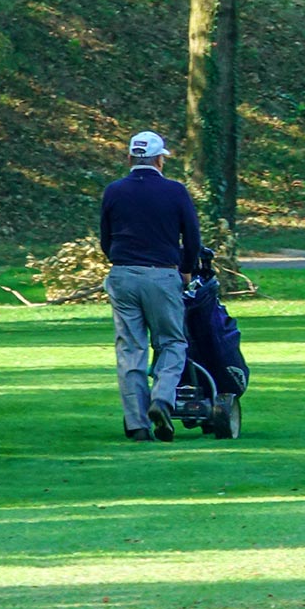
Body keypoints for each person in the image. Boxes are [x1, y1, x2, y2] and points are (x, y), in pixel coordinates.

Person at [99, 130, 204, 442]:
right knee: (172, 342)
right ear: (160, 160)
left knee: (131, 348)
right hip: (162, 274)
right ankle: (162, 398)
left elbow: (106, 239)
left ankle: (137, 423)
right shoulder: (175, 191)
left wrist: (120, 261)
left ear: (130, 158)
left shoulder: (114, 191)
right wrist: (186, 269)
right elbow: (193, 239)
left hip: (123, 274)